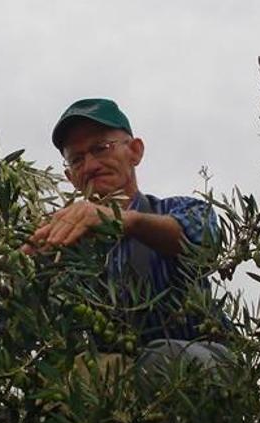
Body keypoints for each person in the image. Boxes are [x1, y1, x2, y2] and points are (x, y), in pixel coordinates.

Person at [25, 98, 231, 383]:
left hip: (203, 374)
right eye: (77, 159)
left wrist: (124, 220)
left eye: (100, 148)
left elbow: (203, 239)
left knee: (165, 359)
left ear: (135, 151)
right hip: (114, 394)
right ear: (70, 176)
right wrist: (19, 279)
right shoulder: (66, 252)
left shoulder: (178, 210)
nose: (91, 165)